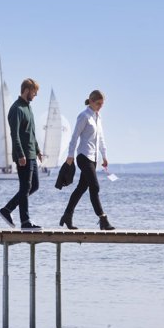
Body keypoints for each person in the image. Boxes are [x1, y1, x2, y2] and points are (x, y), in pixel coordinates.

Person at [59, 90, 115, 230]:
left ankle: (67, 216)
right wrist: (70, 155)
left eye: (102, 104)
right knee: (94, 187)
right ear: (91, 101)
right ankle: (103, 219)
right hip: (83, 156)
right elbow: (74, 137)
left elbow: (101, 138)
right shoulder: (83, 116)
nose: (100, 106)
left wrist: (104, 155)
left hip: (94, 158)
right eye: (98, 103)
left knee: (81, 188)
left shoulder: (98, 117)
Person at [0, 78, 43, 230]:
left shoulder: (28, 108)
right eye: (34, 92)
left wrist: (37, 150)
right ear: (27, 90)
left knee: (34, 186)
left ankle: (7, 209)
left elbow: (31, 133)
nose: (35, 95)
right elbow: (14, 134)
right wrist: (20, 154)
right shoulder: (16, 109)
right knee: (25, 187)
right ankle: (25, 222)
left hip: (31, 153)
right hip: (23, 155)